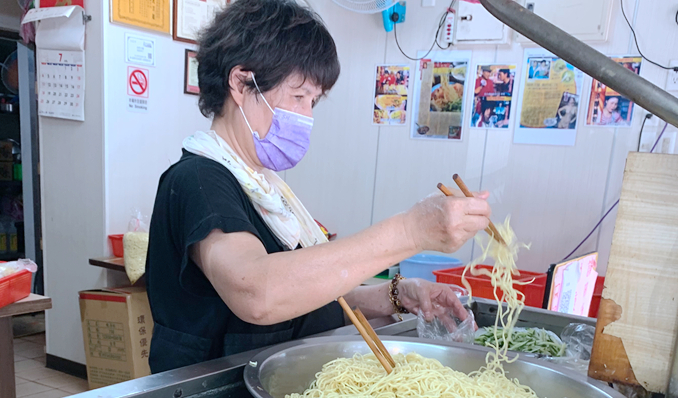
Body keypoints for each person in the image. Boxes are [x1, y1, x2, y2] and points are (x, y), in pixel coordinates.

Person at [145, 0, 492, 373]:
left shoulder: (265, 187)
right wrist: (410, 230)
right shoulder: (199, 180)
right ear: (241, 82)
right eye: (298, 97)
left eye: (313, 102)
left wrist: (397, 294)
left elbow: (306, 295)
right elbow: (259, 293)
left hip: (274, 386)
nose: (306, 117)